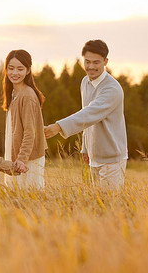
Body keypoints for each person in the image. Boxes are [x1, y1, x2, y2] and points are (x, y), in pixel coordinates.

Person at [44, 39, 128, 189]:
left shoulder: (112, 89)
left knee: (111, 206)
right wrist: (85, 147)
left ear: (105, 61)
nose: (91, 67)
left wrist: (58, 126)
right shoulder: (85, 82)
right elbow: (88, 120)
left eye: (96, 62)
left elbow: (90, 113)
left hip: (112, 159)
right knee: (96, 205)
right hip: (93, 157)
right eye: (87, 62)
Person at [2, 50, 48, 190]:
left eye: (20, 69)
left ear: (28, 70)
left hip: (28, 159)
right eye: (11, 68)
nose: (15, 73)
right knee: (15, 198)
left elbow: (30, 132)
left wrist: (22, 159)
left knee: (31, 198)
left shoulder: (27, 96)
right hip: (16, 156)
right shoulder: (15, 93)